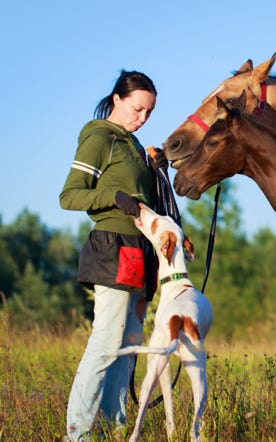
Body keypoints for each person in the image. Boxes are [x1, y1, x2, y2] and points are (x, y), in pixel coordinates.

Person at [59, 70, 167, 440]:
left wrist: (155, 168)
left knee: (129, 346)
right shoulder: (99, 136)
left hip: (141, 250)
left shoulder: (133, 144)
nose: (142, 118)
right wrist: (113, 198)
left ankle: (114, 429)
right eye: (137, 108)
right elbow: (69, 195)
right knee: (107, 343)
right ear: (117, 99)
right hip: (112, 248)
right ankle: (78, 433)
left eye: (149, 112)